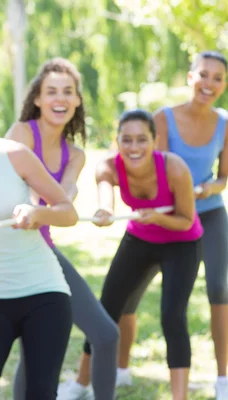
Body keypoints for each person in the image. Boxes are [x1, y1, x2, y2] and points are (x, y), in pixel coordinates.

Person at [0, 76, 78, 399]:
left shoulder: (15, 155)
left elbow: (68, 211)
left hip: (44, 290)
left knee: (40, 392)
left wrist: (38, 214)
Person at [5, 57, 119, 400]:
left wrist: (88, 207)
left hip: (42, 251)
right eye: (51, 91)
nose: (60, 99)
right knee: (34, 347)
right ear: (37, 98)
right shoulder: (22, 134)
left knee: (105, 334)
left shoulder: (76, 154)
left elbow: (64, 197)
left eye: (68, 92)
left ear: (78, 100)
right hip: (6, 253)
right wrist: (53, 205)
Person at [118, 51, 228, 399]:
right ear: (189, 77)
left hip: (208, 214)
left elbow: (224, 177)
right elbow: (151, 168)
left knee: (220, 290)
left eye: (218, 78)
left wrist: (209, 187)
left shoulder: (225, 124)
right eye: (203, 74)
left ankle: (223, 378)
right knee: (127, 296)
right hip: (163, 215)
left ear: (223, 86)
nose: (209, 84)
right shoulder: (161, 120)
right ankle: (120, 370)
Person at [81, 109, 203, 400]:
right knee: (106, 307)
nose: (134, 147)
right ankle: (79, 384)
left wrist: (158, 218)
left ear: (154, 140)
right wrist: (105, 212)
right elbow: (105, 199)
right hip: (140, 237)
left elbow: (186, 219)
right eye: (126, 140)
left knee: (172, 316)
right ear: (117, 141)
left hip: (182, 242)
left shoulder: (175, 168)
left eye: (141, 140)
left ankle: (179, 397)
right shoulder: (108, 167)